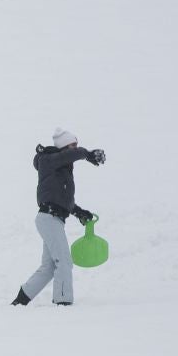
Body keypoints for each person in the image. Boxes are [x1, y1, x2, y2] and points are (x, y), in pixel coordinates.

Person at [12, 128, 106, 307]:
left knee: (49, 267)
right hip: (48, 218)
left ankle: (21, 299)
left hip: (53, 219)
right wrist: (86, 154)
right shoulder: (48, 160)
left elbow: (63, 201)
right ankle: (63, 302)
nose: (75, 148)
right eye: (73, 145)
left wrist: (79, 212)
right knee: (64, 261)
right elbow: (69, 156)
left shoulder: (61, 170)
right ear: (64, 147)